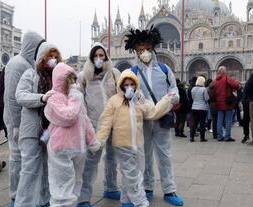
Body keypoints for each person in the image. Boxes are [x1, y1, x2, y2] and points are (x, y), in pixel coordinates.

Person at [96, 69, 174, 207]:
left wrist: (167, 100)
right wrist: (99, 141)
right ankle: (141, 202)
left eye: (132, 85)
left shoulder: (139, 100)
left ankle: (126, 200)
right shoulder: (114, 101)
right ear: (121, 86)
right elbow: (105, 122)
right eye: (126, 85)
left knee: (135, 172)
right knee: (133, 175)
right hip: (122, 144)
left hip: (138, 144)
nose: (129, 88)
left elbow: (152, 113)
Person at [124, 27, 184, 206]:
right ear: (136, 51)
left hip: (162, 119)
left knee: (164, 155)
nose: (145, 53)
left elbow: (174, 89)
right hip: (142, 121)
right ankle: (148, 187)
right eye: (140, 50)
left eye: (148, 49)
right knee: (145, 155)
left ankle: (169, 189)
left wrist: (173, 98)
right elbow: (127, 92)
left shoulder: (165, 70)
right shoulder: (132, 72)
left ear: (153, 49)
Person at [44, 63, 101, 207]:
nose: (72, 83)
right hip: (61, 148)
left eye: (73, 79)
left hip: (78, 148)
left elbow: (84, 120)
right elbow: (68, 117)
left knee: (76, 182)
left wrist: (92, 141)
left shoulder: (75, 97)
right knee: (62, 185)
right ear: (60, 80)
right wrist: (76, 97)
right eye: (68, 79)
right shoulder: (54, 98)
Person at [15, 42, 61, 207]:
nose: (53, 60)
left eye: (56, 57)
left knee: (48, 167)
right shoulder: (30, 74)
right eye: (50, 56)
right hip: (32, 128)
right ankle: (23, 203)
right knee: (30, 169)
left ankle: (44, 201)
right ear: (42, 57)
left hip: (51, 129)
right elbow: (20, 96)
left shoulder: (57, 76)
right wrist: (42, 98)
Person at [77, 43, 121, 207]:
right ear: (91, 58)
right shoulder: (83, 76)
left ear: (106, 56)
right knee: (90, 161)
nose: (99, 59)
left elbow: (122, 94)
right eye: (95, 56)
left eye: (102, 55)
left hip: (113, 123)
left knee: (112, 158)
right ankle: (83, 197)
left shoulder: (114, 74)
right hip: (93, 125)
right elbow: (79, 102)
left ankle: (111, 187)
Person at [3, 31, 45, 207]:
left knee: (26, 160)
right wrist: (16, 125)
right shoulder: (16, 64)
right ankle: (15, 196)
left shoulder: (29, 64)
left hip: (27, 120)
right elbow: (12, 97)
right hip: (16, 120)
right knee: (17, 159)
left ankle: (27, 195)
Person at [213, 66, 240, 142]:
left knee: (219, 120)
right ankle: (227, 136)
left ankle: (219, 136)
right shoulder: (226, 78)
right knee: (228, 120)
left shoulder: (216, 80)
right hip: (227, 102)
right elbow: (236, 85)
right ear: (224, 71)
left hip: (219, 103)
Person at [190, 76, 209, 142]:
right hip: (202, 108)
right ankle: (202, 138)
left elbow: (193, 98)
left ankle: (192, 137)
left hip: (194, 107)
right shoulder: (204, 89)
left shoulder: (193, 89)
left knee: (194, 123)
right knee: (202, 123)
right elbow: (206, 98)